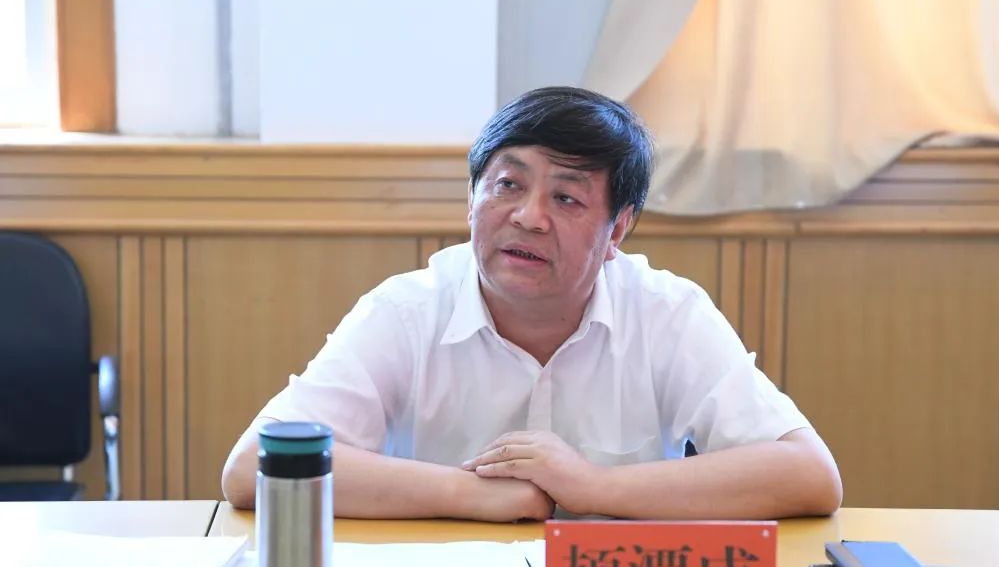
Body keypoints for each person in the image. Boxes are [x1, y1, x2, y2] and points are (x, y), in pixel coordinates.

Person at [221, 86, 842, 522]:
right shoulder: (406, 310)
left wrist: (593, 487)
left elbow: (808, 474)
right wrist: (471, 494)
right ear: (471, 200)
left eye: (567, 198)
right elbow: (253, 466)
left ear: (618, 230)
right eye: (508, 185)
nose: (528, 217)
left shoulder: (666, 312)